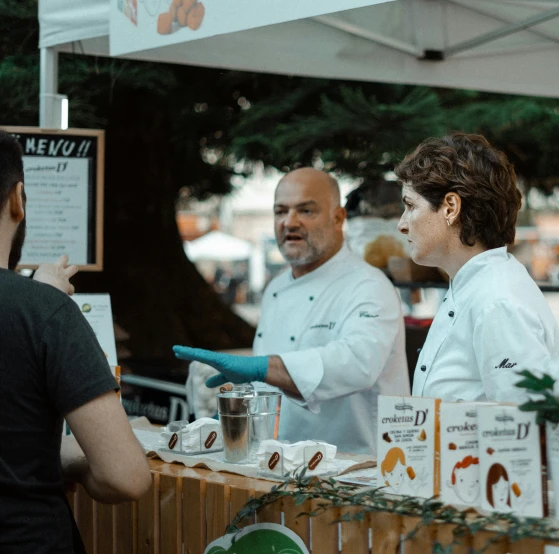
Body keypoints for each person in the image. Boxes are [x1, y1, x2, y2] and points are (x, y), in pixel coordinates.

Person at [175, 168, 409, 455]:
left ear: (338, 218)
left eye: (306, 210)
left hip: (353, 467)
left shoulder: (369, 285)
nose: (290, 222)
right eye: (280, 211)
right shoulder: (276, 289)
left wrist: (261, 368)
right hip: (280, 462)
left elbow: (358, 363)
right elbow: (271, 389)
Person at [0, 131, 151, 553]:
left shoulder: (37, 306)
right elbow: (125, 475)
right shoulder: (45, 313)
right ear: (18, 199)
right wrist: (74, 463)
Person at [395, 132, 559, 403]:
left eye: (410, 206)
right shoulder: (477, 285)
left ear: (450, 208)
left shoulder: (497, 302)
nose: (402, 224)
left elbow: (521, 425)